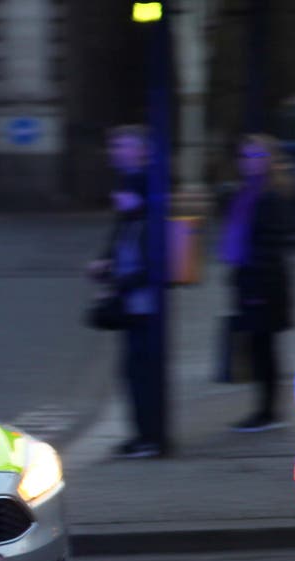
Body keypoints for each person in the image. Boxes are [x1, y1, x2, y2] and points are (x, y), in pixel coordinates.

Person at [87, 125, 162, 459]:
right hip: (133, 300)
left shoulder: (147, 188)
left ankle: (150, 438)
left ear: (142, 151)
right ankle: (141, 434)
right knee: (131, 372)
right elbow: (121, 238)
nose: (116, 153)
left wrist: (118, 276)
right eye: (114, 146)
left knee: (142, 371)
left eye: (124, 146)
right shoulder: (130, 187)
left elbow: (153, 254)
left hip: (144, 302)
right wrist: (106, 263)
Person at [217, 133, 295, 432]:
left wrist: (257, 287)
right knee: (258, 346)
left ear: (269, 161)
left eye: (257, 156)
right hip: (249, 280)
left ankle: (267, 412)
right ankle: (265, 410)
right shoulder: (246, 194)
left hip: (264, 284)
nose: (250, 163)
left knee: (264, 349)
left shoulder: (270, 196)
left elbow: (271, 244)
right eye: (246, 156)